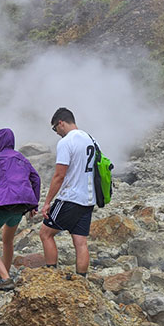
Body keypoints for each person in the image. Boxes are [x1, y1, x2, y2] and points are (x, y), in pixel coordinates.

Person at [0, 128, 41, 291]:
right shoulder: (22, 158)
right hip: (20, 206)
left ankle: (5, 279)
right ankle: (4, 274)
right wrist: (34, 204)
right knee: (8, 241)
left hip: (1, 205)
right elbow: (36, 179)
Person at [40, 107, 99, 277]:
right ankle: (81, 279)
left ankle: (52, 274)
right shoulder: (91, 140)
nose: (56, 133)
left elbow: (59, 175)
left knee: (45, 234)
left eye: (55, 128)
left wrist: (47, 202)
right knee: (80, 241)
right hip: (88, 198)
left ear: (61, 123)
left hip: (70, 197)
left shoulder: (66, 142)